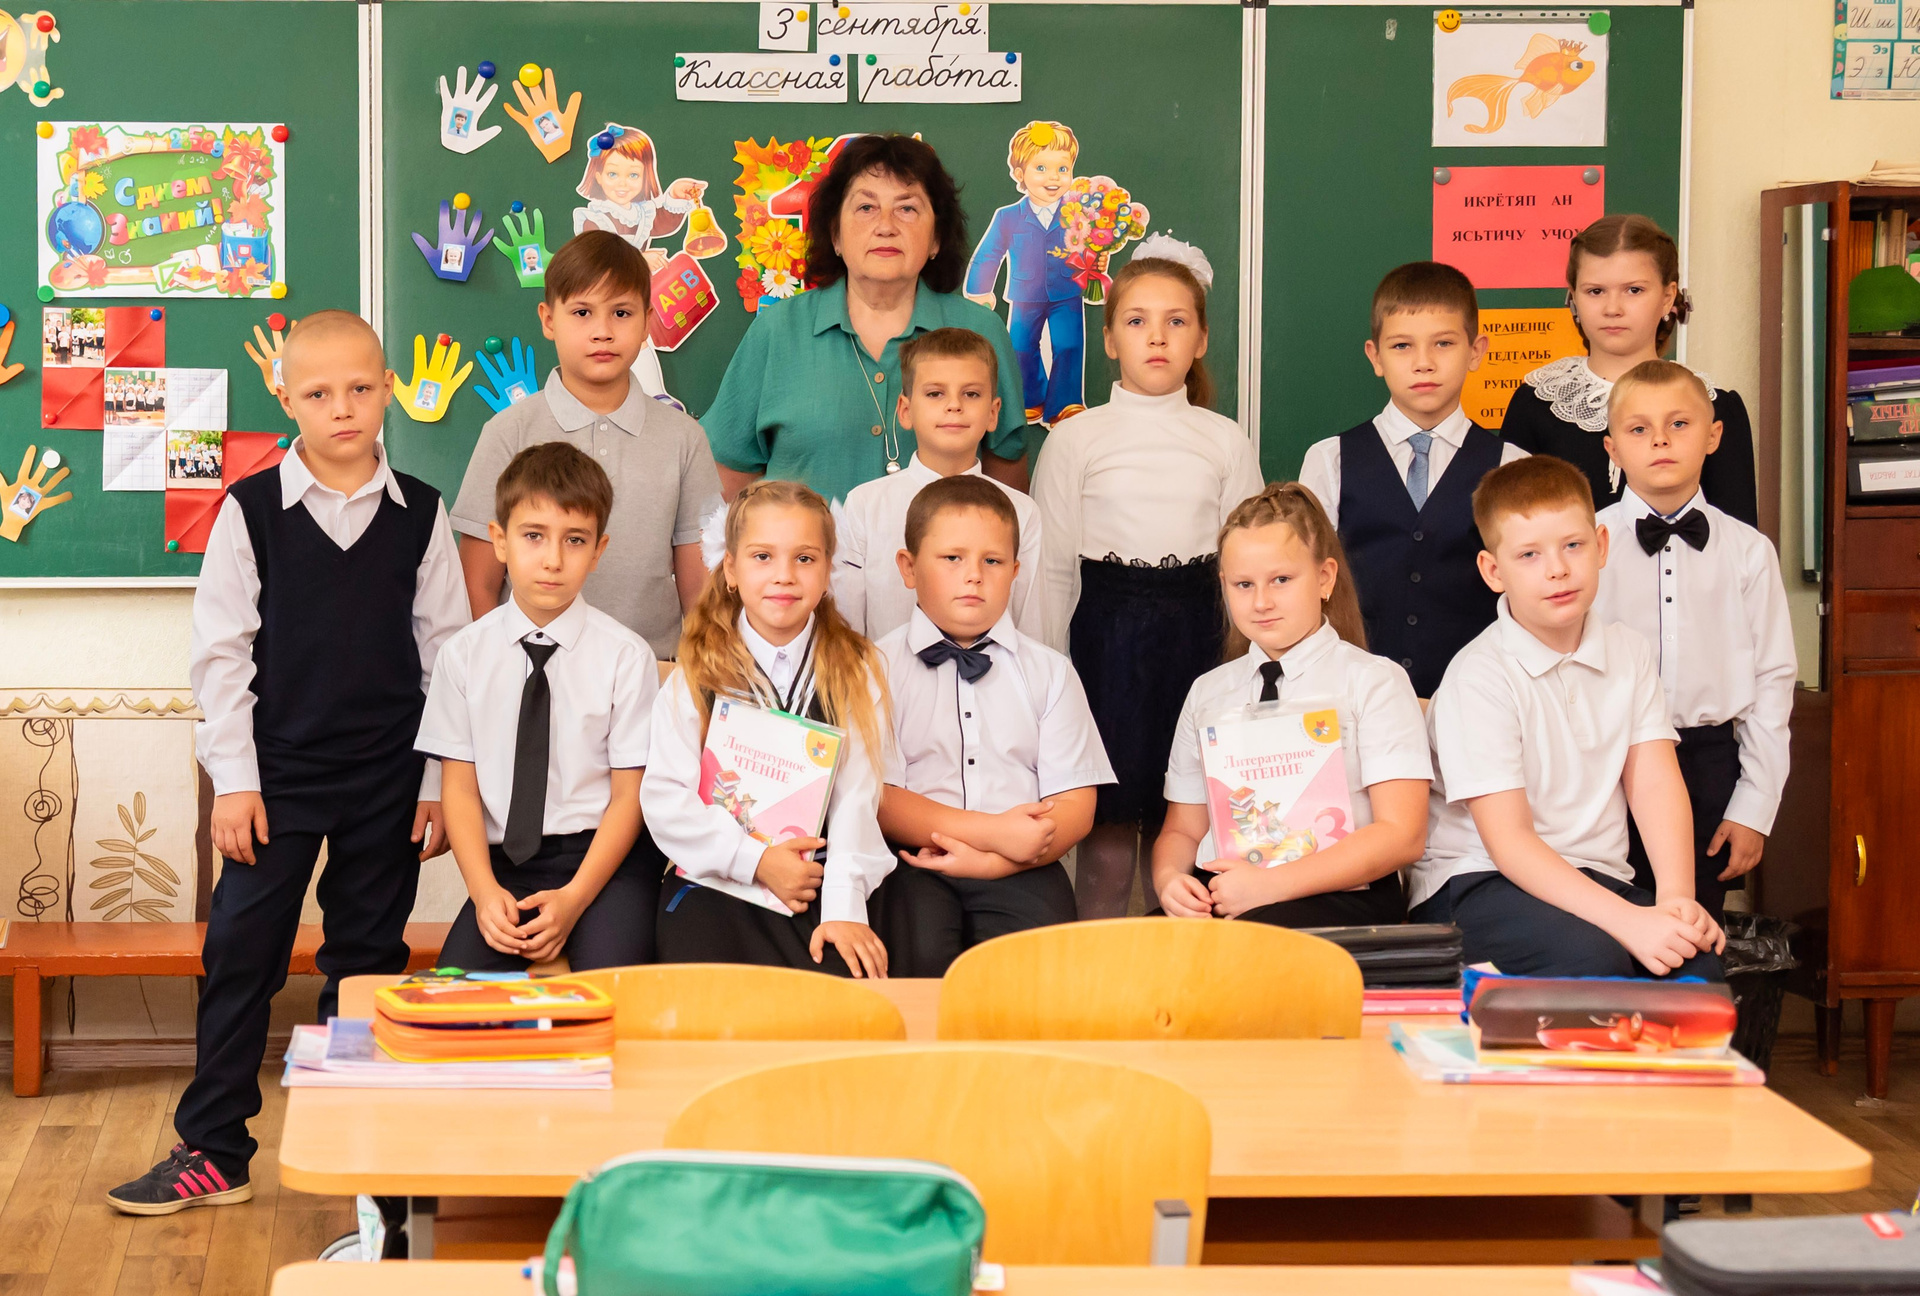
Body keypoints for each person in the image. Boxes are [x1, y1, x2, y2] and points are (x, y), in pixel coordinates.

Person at [108, 311, 468, 1215]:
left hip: (389, 779)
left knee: (366, 960)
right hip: (274, 781)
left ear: (389, 390)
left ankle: (356, 1145)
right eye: (318, 393)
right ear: (287, 400)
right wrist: (234, 783)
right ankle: (214, 1149)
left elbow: (447, 659)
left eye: (360, 388)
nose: (342, 408)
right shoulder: (251, 510)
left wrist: (435, 782)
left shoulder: (423, 513)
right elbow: (220, 655)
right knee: (242, 953)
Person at [1409, 455, 1726, 980]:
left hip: (1593, 878)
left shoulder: (1628, 652)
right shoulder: (1479, 675)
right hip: (1475, 881)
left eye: (1573, 546)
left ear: (1601, 546)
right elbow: (1509, 843)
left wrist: (1675, 901)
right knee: (1594, 961)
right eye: (1529, 555)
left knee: (1697, 965)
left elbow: (1653, 783)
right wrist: (1628, 922)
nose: (1556, 569)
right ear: (1493, 571)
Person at [1031, 235, 1263, 919]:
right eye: (1136, 321)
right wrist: (1049, 688)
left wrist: (1249, 675)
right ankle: (1099, 967)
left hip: (1202, 643)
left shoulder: (1225, 440)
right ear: (1109, 340)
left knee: (1190, 825)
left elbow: (1248, 568)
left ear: (1201, 339)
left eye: (1176, 321)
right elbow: (1051, 573)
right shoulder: (1075, 439)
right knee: (1107, 837)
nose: (1156, 337)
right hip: (1105, 647)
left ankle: (1183, 962)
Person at [420, 442, 664, 971]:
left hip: (605, 862)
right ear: (499, 540)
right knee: (460, 998)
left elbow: (629, 798)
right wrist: (484, 893)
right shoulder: (463, 655)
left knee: (610, 992)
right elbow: (459, 789)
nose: (553, 559)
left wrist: (574, 900)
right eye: (534, 536)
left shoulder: (626, 657)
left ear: (598, 550)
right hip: (506, 867)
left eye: (574, 540)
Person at [641, 480, 895, 978]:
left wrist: (843, 907)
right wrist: (755, 861)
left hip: (817, 880)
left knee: (840, 980)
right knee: (706, 987)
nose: (784, 575)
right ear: (730, 569)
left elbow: (857, 798)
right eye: (762, 557)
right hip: (715, 878)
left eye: (805, 558)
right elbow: (667, 800)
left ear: (828, 569)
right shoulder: (696, 673)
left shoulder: (857, 668)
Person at [1153, 484, 1431, 926]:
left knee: (1244, 949)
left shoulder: (1374, 682)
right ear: (1224, 586)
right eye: (1244, 585)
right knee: (1128, 955)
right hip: (1224, 891)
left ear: (1325, 578)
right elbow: (1183, 829)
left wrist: (1269, 886)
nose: (1261, 602)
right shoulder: (1208, 692)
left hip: (1340, 892)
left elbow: (1402, 834)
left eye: (1281, 580)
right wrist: (1170, 879)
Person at [702, 133, 1029, 505]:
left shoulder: (980, 331)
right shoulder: (777, 330)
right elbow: (727, 487)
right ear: (835, 235)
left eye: (907, 209)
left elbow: (1008, 492)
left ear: (936, 238)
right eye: (866, 207)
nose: (885, 226)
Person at [872, 475, 1110, 975]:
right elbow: (881, 799)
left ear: (1015, 571)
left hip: (1025, 861)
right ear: (909, 568)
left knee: (1032, 972)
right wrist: (993, 832)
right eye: (952, 558)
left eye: (993, 561)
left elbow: (1076, 804)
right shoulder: (874, 668)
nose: (974, 576)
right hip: (911, 859)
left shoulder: (1051, 672)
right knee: (920, 958)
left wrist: (1002, 857)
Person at [451, 230, 720, 662]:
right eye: (582, 312)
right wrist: (500, 672)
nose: (602, 332)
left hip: (652, 672)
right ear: (548, 320)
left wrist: (703, 677)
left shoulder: (684, 438)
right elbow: (477, 584)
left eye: (621, 313)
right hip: (531, 673)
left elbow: (701, 588)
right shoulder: (508, 432)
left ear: (647, 322)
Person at [1592, 360, 1795, 925]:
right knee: (1606, 930)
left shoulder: (1750, 551)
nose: (1660, 440)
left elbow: (1772, 681)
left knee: (1693, 929)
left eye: (1679, 424)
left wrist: (1755, 806)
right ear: (1612, 449)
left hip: (1710, 767)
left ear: (1713, 435)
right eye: (1639, 429)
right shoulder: (1582, 543)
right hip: (1605, 763)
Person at [1297, 261, 1527, 698]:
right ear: (1375, 357)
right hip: (1352, 699)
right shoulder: (1329, 460)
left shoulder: (1511, 466)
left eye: (1444, 343)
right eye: (1402, 346)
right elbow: (1305, 587)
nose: (1424, 363)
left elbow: (1527, 594)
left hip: (1478, 700)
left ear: (1476, 351)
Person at [1500, 214, 1758, 526]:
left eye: (1633, 290)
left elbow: (1736, 534)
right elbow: (1509, 528)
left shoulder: (1714, 406)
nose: (1613, 309)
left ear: (1667, 297)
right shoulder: (1537, 403)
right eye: (1595, 291)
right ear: (1573, 298)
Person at [834, 326, 1047, 642]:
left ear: (993, 413)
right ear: (906, 411)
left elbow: (1033, 632)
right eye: (935, 393)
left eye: (971, 394)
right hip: (884, 673)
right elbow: (846, 632)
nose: (954, 405)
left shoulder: (1022, 512)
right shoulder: (864, 506)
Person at [964, 120, 1087, 427]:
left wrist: (1097, 264)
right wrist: (979, 292)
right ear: (1020, 174)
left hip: (1066, 292)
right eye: (1041, 168)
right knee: (1020, 346)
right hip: (1025, 295)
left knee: (1069, 345)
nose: (1053, 177)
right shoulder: (1008, 216)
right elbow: (988, 254)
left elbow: (1090, 249)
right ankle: (1032, 398)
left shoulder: (1078, 214)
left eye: (1062, 169)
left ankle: (1065, 403)